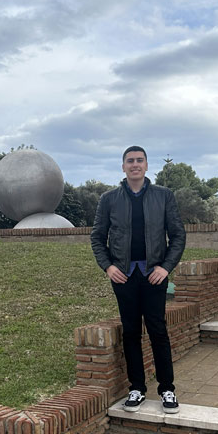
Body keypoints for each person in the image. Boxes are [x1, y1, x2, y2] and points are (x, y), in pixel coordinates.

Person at [90, 145, 186, 414]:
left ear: (146, 165)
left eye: (139, 160)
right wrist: (108, 267)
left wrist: (166, 268)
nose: (135, 164)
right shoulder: (109, 199)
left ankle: (167, 389)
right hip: (123, 276)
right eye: (130, 161)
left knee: (157, 330)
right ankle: (136, 388)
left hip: (154, 275)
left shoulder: (164, 196)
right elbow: (97, 237)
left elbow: (178, 235)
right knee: (131, 332)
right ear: (123, 167)